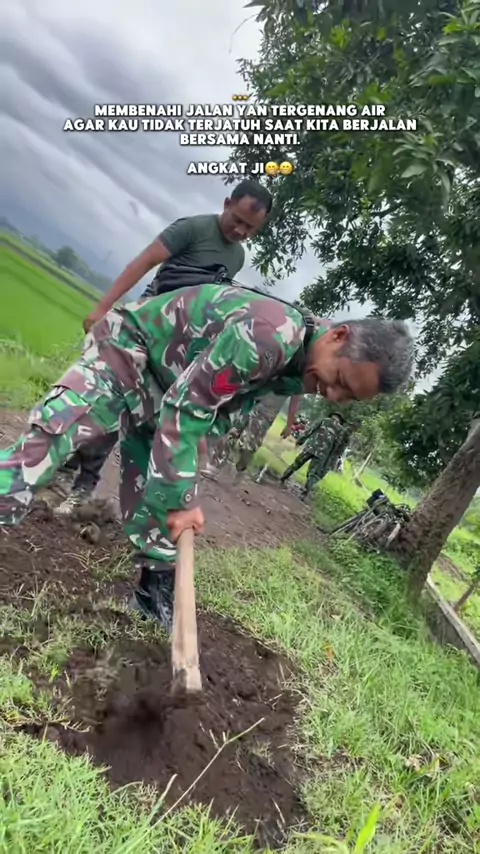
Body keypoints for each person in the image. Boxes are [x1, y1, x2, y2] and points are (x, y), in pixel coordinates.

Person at [0, 285, 414, 632]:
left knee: (159, 486)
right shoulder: (269, 336)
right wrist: (183, 496)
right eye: (339, 380)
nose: (333, 395)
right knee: (52, 440)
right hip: (131, 350)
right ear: (338, 336)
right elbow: (187, 409)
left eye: (348, 397)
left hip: (175, 384)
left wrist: (190, 470)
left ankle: (153, 591)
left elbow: (225, 405)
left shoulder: (303, 365)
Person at [48, 180, 273, 514]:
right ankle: (74, 477)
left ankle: (76, 478)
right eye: (237, 219)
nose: (240, 230)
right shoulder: (192, 229)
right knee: (105, 400)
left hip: (173, 348)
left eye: (250, 228)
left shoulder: (236, 257)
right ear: (226, 203)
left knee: (123, 410)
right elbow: (142, 263)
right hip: (143, 327)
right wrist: (102, 309)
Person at [280, 413, 351, 499]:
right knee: (312, 473)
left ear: (332, 416)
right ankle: (304, 494)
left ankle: (283, 478)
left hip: (311, 447)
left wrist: (300, 440)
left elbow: (310, 430)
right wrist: (329, 458)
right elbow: (336, 445)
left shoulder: (323, 420)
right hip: (322, 454)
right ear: (340, 420)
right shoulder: (340, 430)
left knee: (296, 464)